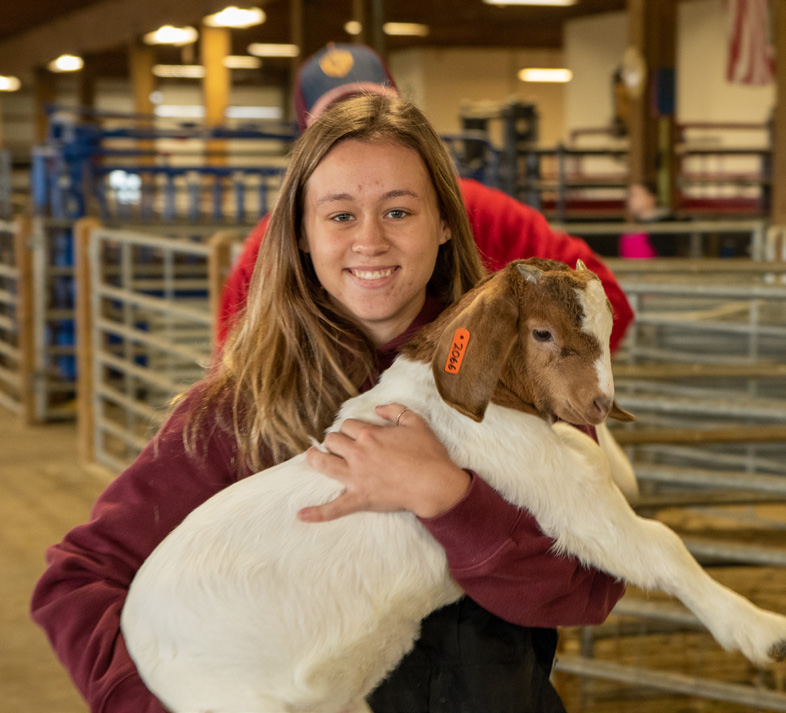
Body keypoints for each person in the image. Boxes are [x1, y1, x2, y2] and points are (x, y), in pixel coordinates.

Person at [33, 94, 626, 713]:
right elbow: (79, 577)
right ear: (302, 234)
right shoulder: (242, 411)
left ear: (446, 224)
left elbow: (587, 589)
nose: (370, 240)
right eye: (340, 215)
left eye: (398, 211)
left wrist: (452, 500)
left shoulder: (523, 391)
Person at [217, 42, 634, 353]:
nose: (370, 240)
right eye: (336, 128)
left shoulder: (486, 212)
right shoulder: (273, 245)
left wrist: (507, 376)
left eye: (399, 212)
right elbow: (235, 358)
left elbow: (603, 301)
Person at [619, 180, 676, 258]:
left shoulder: (664, 226)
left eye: (635, 195)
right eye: (630, 196)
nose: (630, 200)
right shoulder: (632, 227)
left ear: (650, 198)